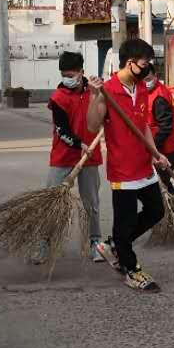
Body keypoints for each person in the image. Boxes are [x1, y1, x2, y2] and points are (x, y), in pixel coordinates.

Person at [85, 38, 171, 292]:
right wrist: (93, 97)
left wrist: (155, 153)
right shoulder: (108, 90)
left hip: (144, 166)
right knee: (126, 220)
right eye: (145, 64)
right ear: (130, 63)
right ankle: (131, 269)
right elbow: (92, 126)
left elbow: (142, 125)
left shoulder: (142, 88)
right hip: (123, 170)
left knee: (156, 210)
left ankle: (115, 245)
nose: (148, 69)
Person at [38, 50, 104, 263]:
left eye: (71, 74)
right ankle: (44, 246)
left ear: (81, 72)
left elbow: (107, 112)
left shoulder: (94, 92)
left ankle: (95, 243)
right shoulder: (58, 98)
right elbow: (62, 130)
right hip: (63, 156)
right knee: (51, 202)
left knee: (91, 203)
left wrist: (99, 92)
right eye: (64, 74)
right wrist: (79, 144)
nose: (67, 78)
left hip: (90, 157)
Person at [147, 69, 174, 196]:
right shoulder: (146, 93)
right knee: (161, 183)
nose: (145, 82)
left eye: (148, 79)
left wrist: (154, 150)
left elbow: (165, 127)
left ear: (155, 76)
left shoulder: (159, 97)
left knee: (161, 182)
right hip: (158, 145)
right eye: (142, 79)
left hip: (169, 147)